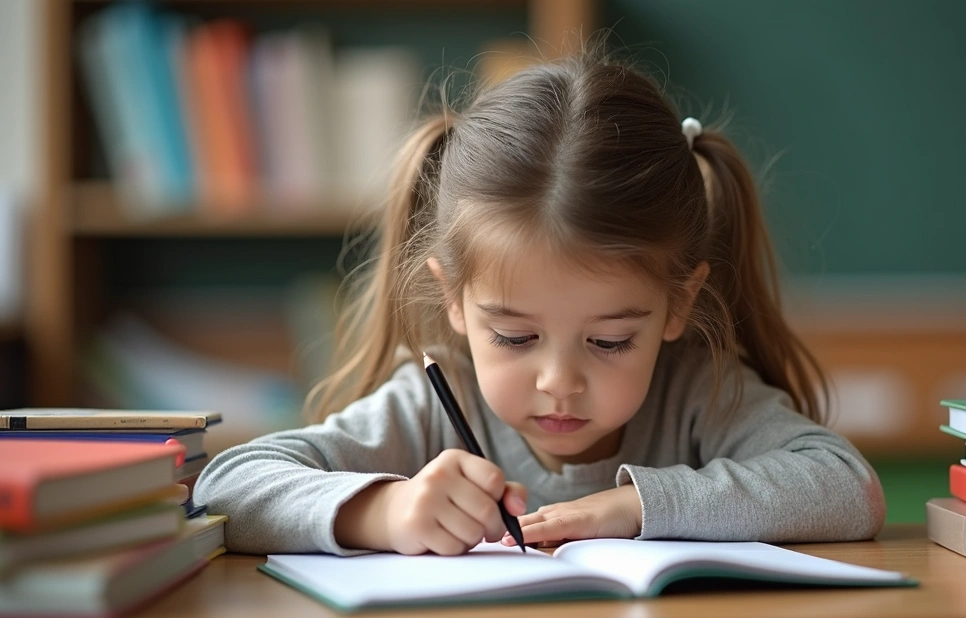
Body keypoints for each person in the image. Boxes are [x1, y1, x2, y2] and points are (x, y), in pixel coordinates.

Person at [194, 49, 886, 556]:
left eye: (610, 341)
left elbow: (847, 488)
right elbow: (227, 486)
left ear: (680, 303)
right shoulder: (433, 402)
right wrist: (385, 510)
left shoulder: (698, 393)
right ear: (455, 299)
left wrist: (635, 507)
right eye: (515, 337)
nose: (559, 383)